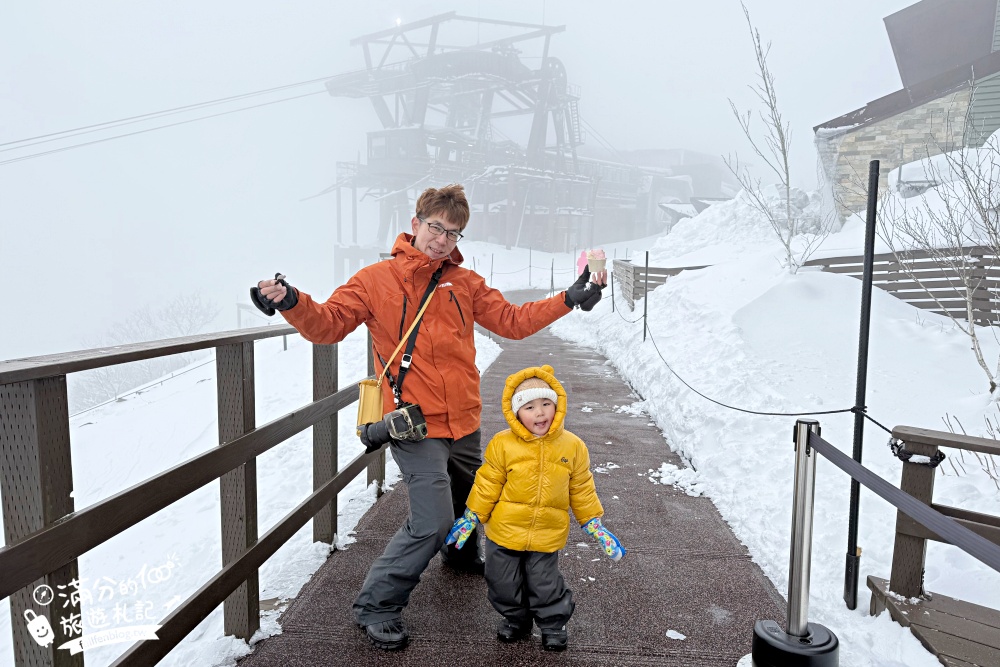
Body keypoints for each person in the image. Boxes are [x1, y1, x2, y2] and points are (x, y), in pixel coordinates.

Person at [251, 184, 606, 651]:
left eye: (453, 233)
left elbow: (513, 321)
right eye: (436, 227)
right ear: (415, 223)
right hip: (414, 423)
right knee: (433, 520)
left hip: (464, 419)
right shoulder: (375, 280)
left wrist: (568, 298)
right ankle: (378, 605)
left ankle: (459, 557)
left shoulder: (465, 283)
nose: (442, 239)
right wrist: (291, 301)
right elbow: (329, 324)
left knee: (469, 496)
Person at [445, 364, 625, 652]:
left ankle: (553, 624)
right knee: (501, 581)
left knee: (544, 582)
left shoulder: (573, 447)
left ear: (558, 405)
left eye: (546, 404)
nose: (540, 413)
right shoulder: (502, 444)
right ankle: (516, 619)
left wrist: (594, 523)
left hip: (545, 533)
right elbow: (487, 483)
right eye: (529, 407)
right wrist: (471, 517)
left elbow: (581, 487)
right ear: (516, 413)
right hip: (504, 531)